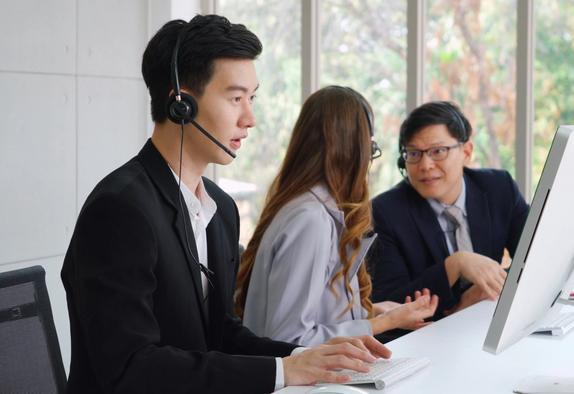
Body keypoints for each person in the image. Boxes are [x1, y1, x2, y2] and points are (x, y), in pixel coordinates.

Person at [60, 15, 390, 394]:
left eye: (252, 98)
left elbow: (221, 334)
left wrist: (303, 358)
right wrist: (282, 373)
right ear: (180, 105)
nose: (250, 119)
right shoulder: (120, 210)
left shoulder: (219, 209)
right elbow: (131, 368)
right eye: (236, 98)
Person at [235, 86, 438, 346]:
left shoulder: (311, 209)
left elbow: (315, 315)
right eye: (370, 147)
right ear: (352, 149)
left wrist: (373, 312)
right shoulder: (310, 219)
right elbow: (289, 340)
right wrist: (383, 323)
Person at [368, 101, 529, 320]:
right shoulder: (385, 213)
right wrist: (455, 265)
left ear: (466, 151)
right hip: (429, 339)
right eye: (414, 154)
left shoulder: (499, 188)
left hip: (491, 321)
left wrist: (481, 292)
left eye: (438, 151)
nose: (425, 165)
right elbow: (388, 305)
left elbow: (537, 257)